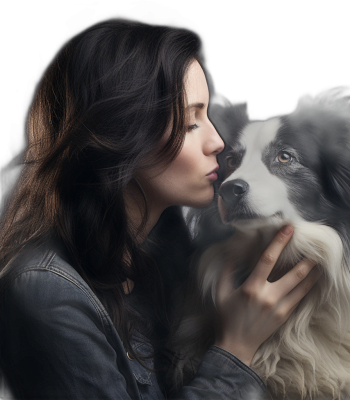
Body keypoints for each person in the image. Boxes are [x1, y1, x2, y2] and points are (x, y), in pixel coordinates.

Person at [0, 19, 322, 399]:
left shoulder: (164, 260)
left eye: (208, 118)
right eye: (191, 122)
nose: (218, 141)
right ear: (119, 134)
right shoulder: (47, 295)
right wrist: (235, 350)